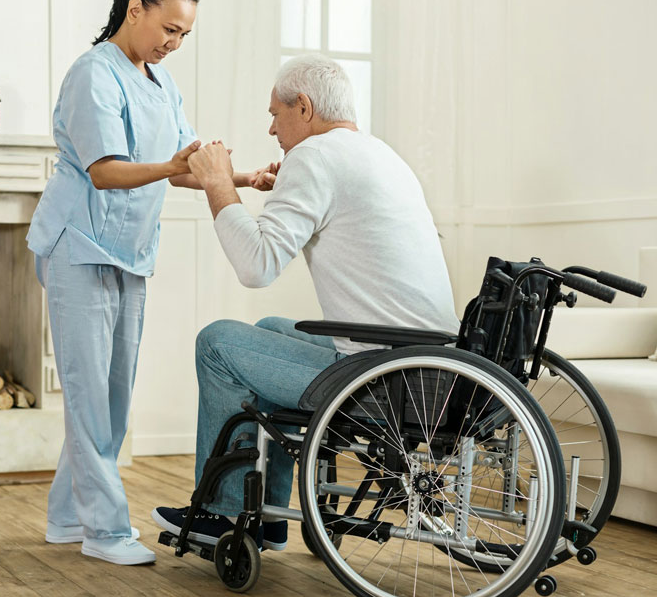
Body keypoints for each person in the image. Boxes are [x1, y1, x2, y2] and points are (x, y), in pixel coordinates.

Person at [151, 54, 459, 551]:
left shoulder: (314, 158)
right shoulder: (377, 153)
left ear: (305, 107)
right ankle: (268, 516)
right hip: (427, 367)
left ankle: (223, 514)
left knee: (217, 343)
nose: (271, 128)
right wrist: (242, 185)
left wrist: (216, 185)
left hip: (381, 379)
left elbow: (256, 267)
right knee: (273, 325)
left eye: (275, 113)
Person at [27, 0, 267, 566]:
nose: (174, 43)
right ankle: (105, 532)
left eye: (184, 35)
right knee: (91, 398)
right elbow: (105, 171)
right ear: (134, 9)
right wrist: (166, 166)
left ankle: (64, 518)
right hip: (77, 246)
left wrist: (242, 177)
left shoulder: (159, 83)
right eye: (169, 28)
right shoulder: (92, 75)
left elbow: (185, 163)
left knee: (111, 397)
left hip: (129, 252)